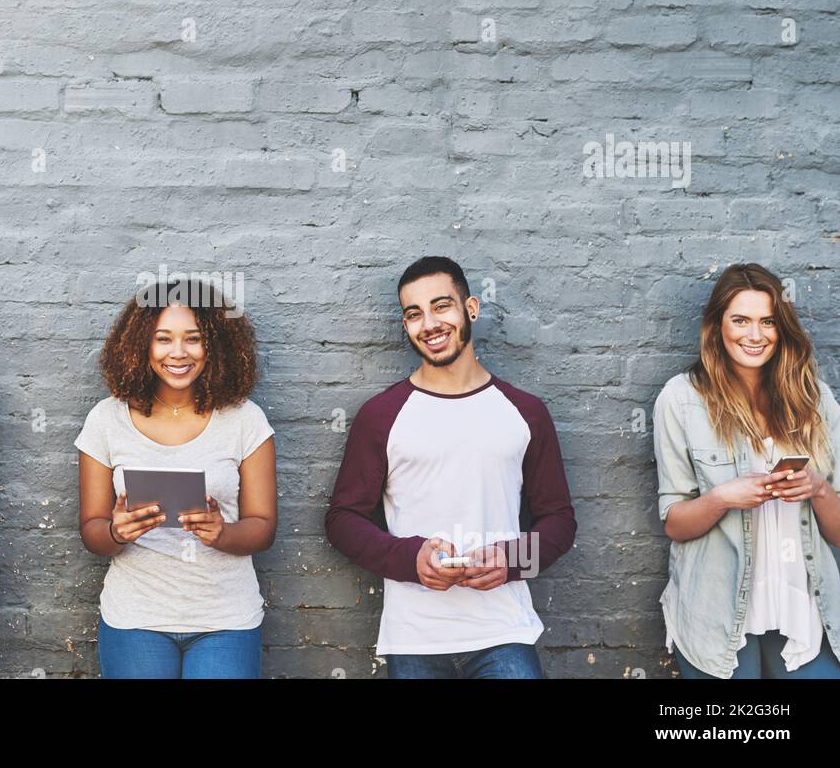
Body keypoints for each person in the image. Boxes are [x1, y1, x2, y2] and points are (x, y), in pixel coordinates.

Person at [325, 256, 576, 678]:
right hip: (414, 639)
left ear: (471, 308)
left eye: (442, 306)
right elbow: (341, 521)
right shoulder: (381, 415)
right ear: (405, 326)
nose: (429, 324)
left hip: (503, 632)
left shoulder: (525, 412)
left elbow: (560, 522)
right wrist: (409, 558)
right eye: (414, 314)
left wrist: (510, 561)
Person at [75, 278, 276, 678]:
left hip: (225, 620)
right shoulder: (106, 420)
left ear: (214, 346)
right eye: (163, 339)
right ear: (140, 345)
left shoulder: (244, 419)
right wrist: (117, 532)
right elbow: (91, 531)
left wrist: (222, 533)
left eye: (194, 339)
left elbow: (264, 528)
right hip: (135, 618)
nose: (178, 353)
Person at [656, 263, 840, 679]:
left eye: (767, 321)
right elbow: (674, 523)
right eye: (740, 320)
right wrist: (724, 497)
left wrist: (818, 490)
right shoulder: (681, 400)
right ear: (716, 326)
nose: (755, 336)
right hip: (718, 617)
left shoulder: (816, 400)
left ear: (781, 327)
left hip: (801, 611)